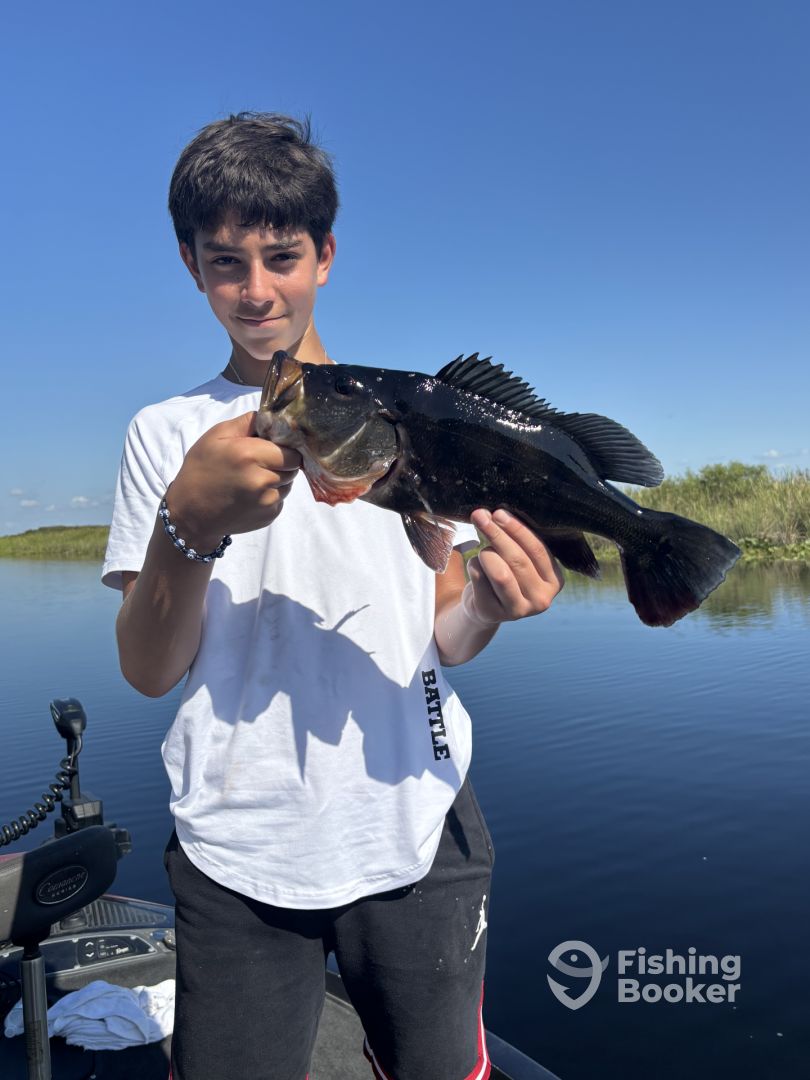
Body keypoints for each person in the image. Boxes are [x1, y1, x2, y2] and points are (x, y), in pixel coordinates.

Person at [103, 112, 563, 1080]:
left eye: (282, 257)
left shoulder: (404, 417)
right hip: (236, 845)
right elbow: (148, 669)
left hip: (415, 822)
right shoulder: (166, 433)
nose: (256, 289)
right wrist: (189, 520)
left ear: (326, 254)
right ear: (191, 265)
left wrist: (487, 603)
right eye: (226, 263)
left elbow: (445, 631)